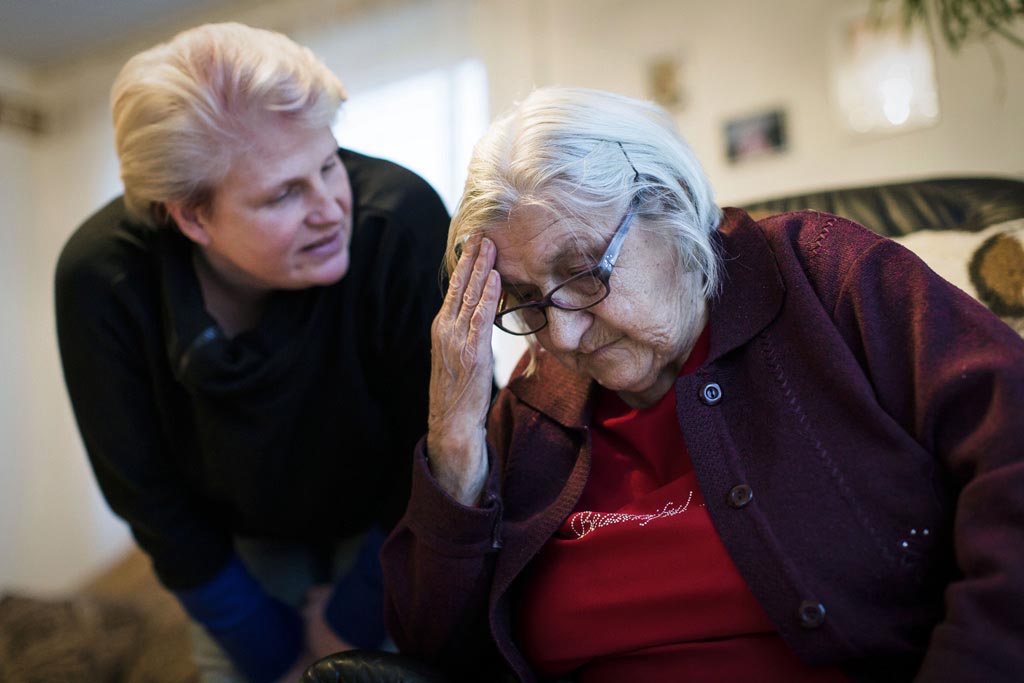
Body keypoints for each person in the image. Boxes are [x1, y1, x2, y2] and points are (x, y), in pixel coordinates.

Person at [380, 87, 1024, 682]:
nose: (564, 338)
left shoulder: (826, 280)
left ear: (674, 206)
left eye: (583, 274)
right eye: (524, 300)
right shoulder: (536, 394)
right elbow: (431, 652)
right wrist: (456, 446)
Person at [54, 23, 449, 683]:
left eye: (330, 164)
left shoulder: (399, 224)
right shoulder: (102, 282)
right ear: (191, 217)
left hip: (398, 514)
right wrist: (264, 645)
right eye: (284, 193)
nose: (332, 209)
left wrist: (350, 616)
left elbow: (445, 442)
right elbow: (145, 491)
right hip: (231, 537)